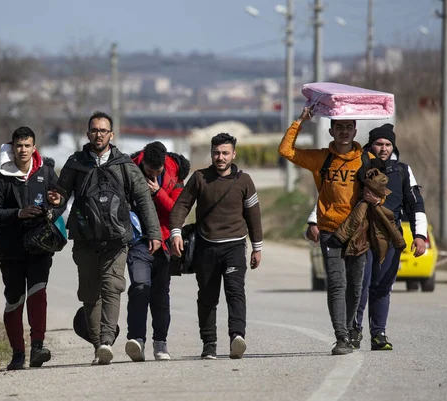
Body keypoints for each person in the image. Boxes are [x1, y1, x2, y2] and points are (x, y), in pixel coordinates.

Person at [307, 124, 428, 351]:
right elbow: (334, 195)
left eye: (388, 144)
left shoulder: (401, 171)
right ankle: (354, 330)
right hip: (360, 235)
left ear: (393, 146)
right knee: (359, 285)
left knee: (382, 286)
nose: (383, 148)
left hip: (390, 237)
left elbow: (415, 204)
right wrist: (314, 220)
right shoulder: (359, 163)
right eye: (379, 144)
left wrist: (419, 235)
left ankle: (378, 334)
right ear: (371, 145)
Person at [57, 111, 161, 365]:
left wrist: (154, 233)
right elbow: (60, 196)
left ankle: (105, 341)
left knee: (112, 288)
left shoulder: (124, 165)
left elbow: (143, 199)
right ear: (88, 133)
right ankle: (98, 346)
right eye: (94, 130)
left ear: (111, 135)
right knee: (90, 294)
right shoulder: (75, 163)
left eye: (103, 130)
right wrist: (53, 205)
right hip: (84, 239)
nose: (98, 134)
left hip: (117, 239)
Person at [278, 107, 380, 355]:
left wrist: (376, 199)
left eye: (348, 127)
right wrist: (301, 120)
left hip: (358, 231)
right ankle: (342, 337)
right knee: (336, 283)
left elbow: (383, 194)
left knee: (355, 286)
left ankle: (349, 327)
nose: (344, 132)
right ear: (331, 131)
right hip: (330, 230)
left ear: (355, 130)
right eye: (339, 127)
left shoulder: (368, 160)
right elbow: (286, 150)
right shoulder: (322, 158)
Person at [169, 133, 263, 360]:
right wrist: (176, 232)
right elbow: (182, 205)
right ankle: (209, 344)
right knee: (208, 297)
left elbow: (254, 216)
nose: (220, 157)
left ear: (233, 154)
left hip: (234, 246)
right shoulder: (200, 178)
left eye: (225, 153)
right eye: (216, 153)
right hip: (206, 247)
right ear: (211, 153)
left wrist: (257, 247)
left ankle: (236, 337)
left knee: (235, 292)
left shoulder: (244, 181)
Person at [0, 126, 66, 370]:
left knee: (38, 294)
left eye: (27, 145)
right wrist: (19, 213)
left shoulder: (45, 170)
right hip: (10, 249)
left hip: (40, 247)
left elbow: (60, 200)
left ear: (34, 147)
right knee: (14, 300)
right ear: (12, 148)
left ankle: (37, 347)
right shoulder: (1, 176)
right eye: (18, 146)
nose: (22, 150)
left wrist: (56, 205)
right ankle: (17, 353)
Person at [124, 141, 190, 362]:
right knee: (140, 287)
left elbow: (178, 210)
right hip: (138, 240)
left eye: (157, 171)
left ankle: (160, 344)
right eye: (148, 170)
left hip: (164, 242)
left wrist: (158, 192)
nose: (152, 174)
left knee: (160, 296)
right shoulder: (129, 168)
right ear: (142, 162)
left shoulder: (175, 173)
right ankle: (136, 340)